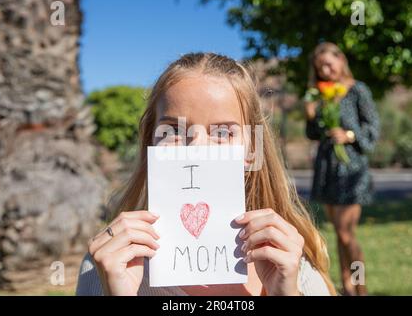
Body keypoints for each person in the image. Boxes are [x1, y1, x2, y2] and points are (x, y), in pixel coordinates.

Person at [76, 52, 336, 296]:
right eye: (173, 131)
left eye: (223, 133)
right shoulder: (107, 266)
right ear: (150, 145)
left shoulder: (290, 263)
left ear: (251, 151)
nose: (197, 147)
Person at [304, 42, 380, 296]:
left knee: (347, 234)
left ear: (341, 60)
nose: (325, 70)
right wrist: (311, 115)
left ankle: (362, 289)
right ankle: (347, 287)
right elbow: (313, 134)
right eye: (320, 67)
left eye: (329, 63)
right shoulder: (320, 94)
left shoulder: (358, 90)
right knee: (338, 233)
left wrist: (348, 134)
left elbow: (372, 130)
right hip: (327, 168)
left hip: (351, 170)